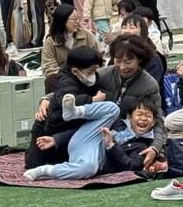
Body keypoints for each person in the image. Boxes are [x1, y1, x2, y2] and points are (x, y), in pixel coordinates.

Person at [24, 47, 124, 180]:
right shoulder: (66, 84)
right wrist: (92, 100)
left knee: (112, 109)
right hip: (57, 130)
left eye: (95, 70)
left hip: (83, 130)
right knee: (35, 163)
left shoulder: (96, 77)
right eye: (90, 71)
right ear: (75, 71)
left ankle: (75, 113)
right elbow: (62, 99)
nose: (123, 67)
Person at [39, 4, 96, 88]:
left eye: (78, 19)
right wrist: (68, 76)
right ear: (63, 20)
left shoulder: (86, 34)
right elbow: (48, 67)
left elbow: (100, 54)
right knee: (51, 80)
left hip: (86, 76)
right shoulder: (51, 41)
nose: (77, 22)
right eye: (74, 19)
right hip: (62, 79)